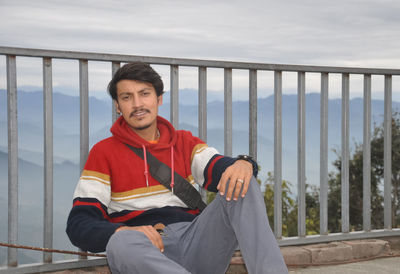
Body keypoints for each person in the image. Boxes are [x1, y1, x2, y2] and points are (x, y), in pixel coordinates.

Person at [66, 62, 288, 274]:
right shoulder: (104, 152)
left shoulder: (183, 142)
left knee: (241, 183)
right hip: (144, 250)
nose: (137, 104)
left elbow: (219, 167)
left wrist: (243, 163)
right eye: (127, 97)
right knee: (120, 242)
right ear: (117, 105)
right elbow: (79, 223)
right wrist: (120, 230)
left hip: (196, 241)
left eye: (144, 94)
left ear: (158, 99)